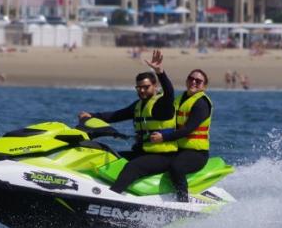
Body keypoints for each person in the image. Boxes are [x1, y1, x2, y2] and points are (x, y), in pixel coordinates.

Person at [79, 50, 176, 194]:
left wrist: (160, 72)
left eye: (146, 87)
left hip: (163, 156)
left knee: (133, 167)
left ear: (155, 86)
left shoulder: (163, 105)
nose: (142, 90)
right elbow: (116, 115)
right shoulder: (139, 105)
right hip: (143, 152)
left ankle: (112, 196)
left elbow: (170, 92)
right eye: (139, 87)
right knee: (110, 158)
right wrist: (92, 116)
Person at [150, 69, 213, 202]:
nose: (193, 82)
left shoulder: (201, 104)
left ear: (204, 86)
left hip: (197, 153)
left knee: (176, 167)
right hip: (178, 149)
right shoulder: (180, 99)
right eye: (191, 78)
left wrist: (163, 137)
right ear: (186, 80)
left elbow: (188, 130)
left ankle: (183, 203)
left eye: (198, 81)